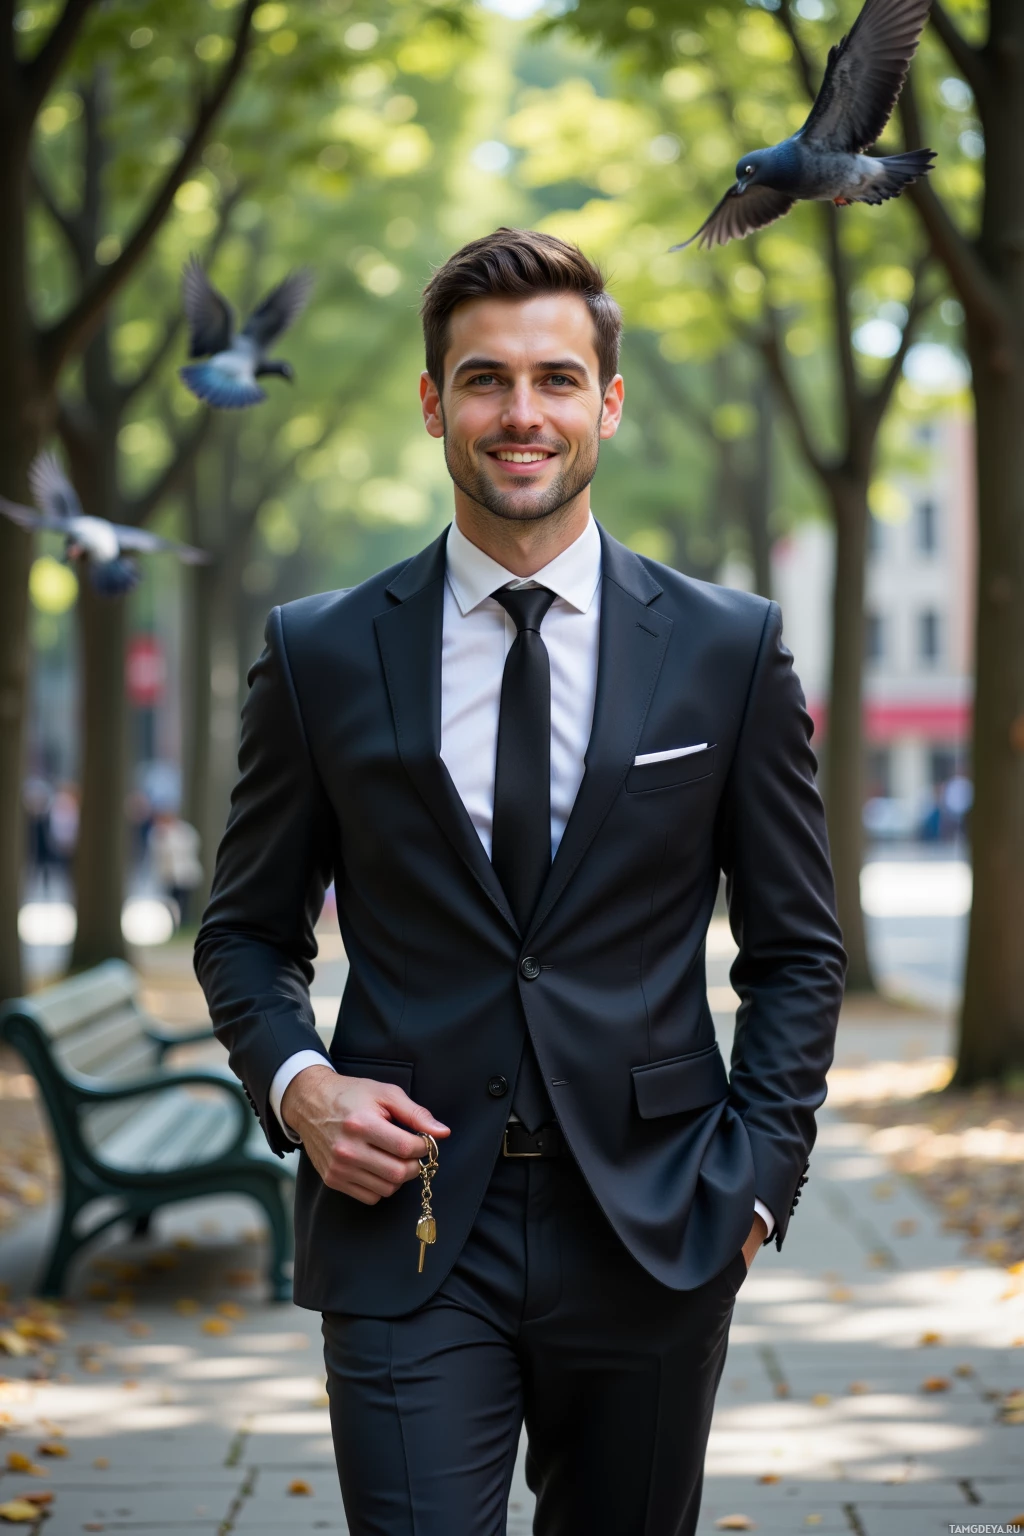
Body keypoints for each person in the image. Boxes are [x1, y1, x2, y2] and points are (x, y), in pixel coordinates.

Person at [195, 228, 846, 1536]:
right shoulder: (319, 653)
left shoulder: (730, 650)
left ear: (606, 402)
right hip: (409, 1219)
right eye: (484, 380)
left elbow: (796, 951)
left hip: (660, 1220)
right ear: (435, 403)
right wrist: (300, 1086)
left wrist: (757, 1186)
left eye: (556, 378)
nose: (521, 412)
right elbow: (249, 934)